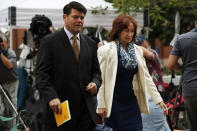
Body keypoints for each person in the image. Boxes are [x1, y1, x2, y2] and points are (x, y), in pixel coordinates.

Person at [35, 1, 101, 131]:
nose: (79, 21)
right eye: (75, 17)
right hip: (60, 112)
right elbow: (41, 75)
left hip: (86, 114)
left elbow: (97, 73)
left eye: (82, 18)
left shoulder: (90, 43)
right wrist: (52, 97)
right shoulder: (49, 42)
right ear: (64, 17)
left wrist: (95, 83)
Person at [96, 14, 168, 131]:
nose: (130, 34)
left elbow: (147, 78)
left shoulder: (138, 50)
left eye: (132, 31)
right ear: (118, 31)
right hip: (114, 103)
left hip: (132, 102)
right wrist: (101, 105)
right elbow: (102, 80)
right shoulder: (105, 51)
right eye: (126, 31)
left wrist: (159, 100)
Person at [167, 19, 197, 131]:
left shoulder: (182, 39)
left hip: (191, 89)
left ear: (195, 22)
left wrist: (183, 67)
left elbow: (170, 64)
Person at [136, 35, 170, 131]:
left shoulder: (151, 52)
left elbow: (148, 54)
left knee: (159, 117)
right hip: (146, 93)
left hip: (156, 91)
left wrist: (133, 47)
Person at [0, 33, 18, 128]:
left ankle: (13, 128)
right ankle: (4, 127)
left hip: (12, 83)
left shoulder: (11, 53)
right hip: (2, 83)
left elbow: (9, 65)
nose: (1, 45)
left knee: (12, 108)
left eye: (2, 43)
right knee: (3, 109)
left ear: (6, 42)